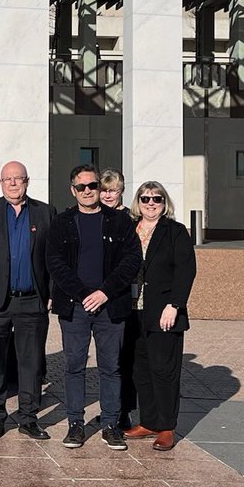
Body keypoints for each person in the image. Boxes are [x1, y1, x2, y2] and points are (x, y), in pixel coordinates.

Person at [47, 164, 140, 450]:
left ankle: (111, 424)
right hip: (74, 306)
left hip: (110, 306)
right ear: (72, 190)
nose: (87, 191)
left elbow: (132, 260)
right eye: (81, 187)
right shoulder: (62, 222)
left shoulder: (119, 222)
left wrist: (104, 292)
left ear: (100, 187)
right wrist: (84, 294)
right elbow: (55, 263)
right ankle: (75, 423)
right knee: (74, 366)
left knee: (110, 368)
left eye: (92, 186)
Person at [0, 160, 55, 439]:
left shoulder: (45, 212)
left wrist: (50, 293)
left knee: (30, 362)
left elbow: (54, 258)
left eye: (18, 179)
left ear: (27, 181)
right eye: (7, 179)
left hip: (32, 300)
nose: (13, 183)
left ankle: (28, 417)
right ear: (1, 183)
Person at [124, 181, 196, 452]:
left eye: (157, 199)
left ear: (165, 203)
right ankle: (149, 421)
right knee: (141, 370)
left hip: (164, 312)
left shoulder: (174, 232)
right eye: (145, 199)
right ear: (138, 202)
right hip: (133, 312)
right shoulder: (130, 230)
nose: (151, 203)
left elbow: (186, 271)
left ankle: (167, 426)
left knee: (164, 371)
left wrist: (175, 304)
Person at [100, 168, 135, 428]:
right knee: (107, 359)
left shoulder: (129, 219)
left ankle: (123, 411)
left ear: (121, 191)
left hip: (122, 295)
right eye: (104, 190)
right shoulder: (94, 216)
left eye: (112, 190)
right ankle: (111, 408)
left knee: (123, 358)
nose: (108, 195)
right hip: (97, 297)